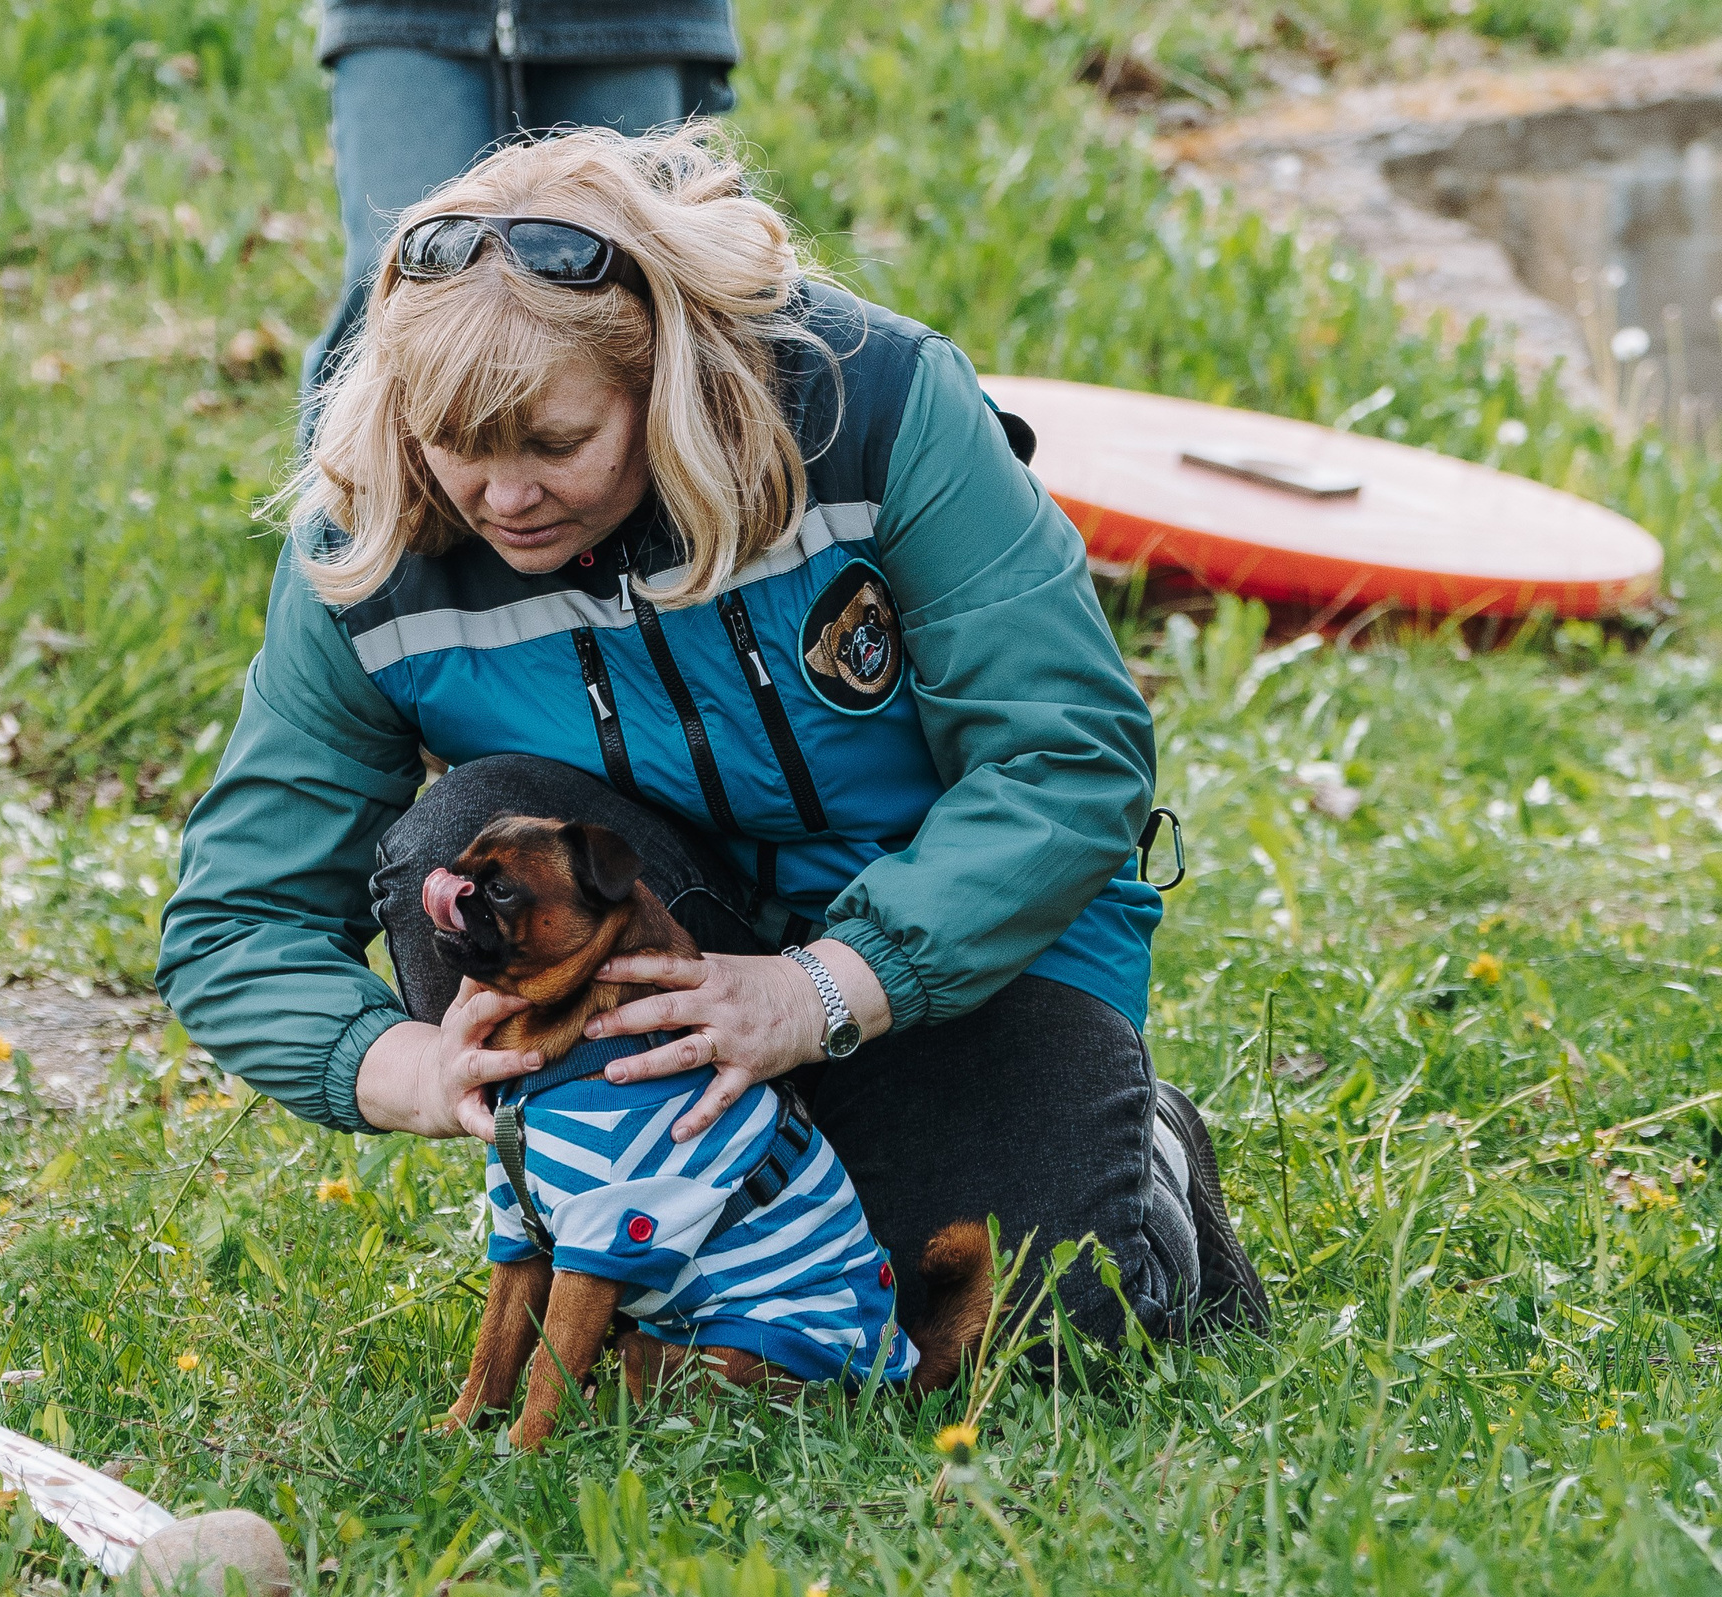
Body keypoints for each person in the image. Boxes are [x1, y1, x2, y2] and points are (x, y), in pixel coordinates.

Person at [158, 124, 1269, 1350]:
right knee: (470, 836)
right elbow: (234, 921)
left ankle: (1137, 1153)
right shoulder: (367, 536)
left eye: (553, 444)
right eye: (456, 450)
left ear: (663, 381)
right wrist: (402, 1066)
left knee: (1014, 1331)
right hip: (666, 961)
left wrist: (821, 991)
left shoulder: (877, 407)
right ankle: (667, 1257)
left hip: (954, 972)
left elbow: (1068, 758)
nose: (501, 498)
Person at [301, 0, 742, 409]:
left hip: (633, 19)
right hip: (402, 16)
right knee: (391, 286)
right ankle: (351, 492)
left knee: (649, 291)